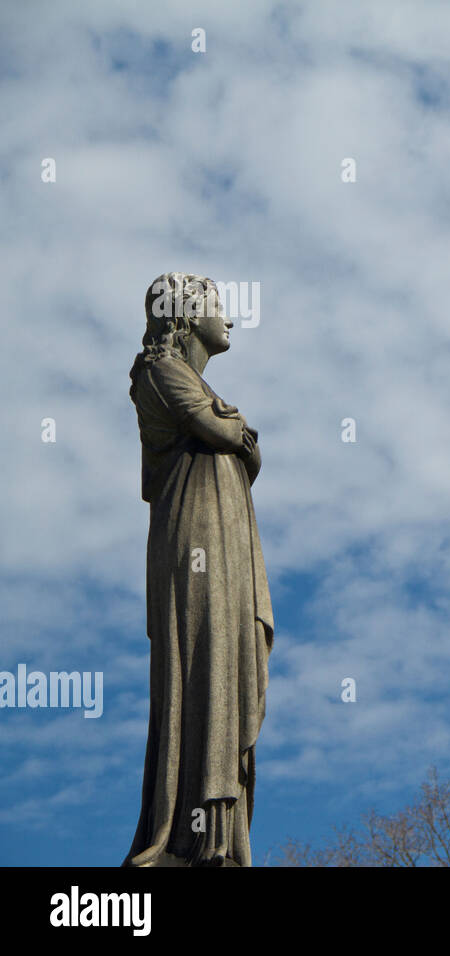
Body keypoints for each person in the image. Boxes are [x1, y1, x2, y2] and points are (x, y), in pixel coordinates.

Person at [123, 272, 273, 867]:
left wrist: (238, 434)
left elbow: (246, 447)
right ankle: (191, 835)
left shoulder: (190, 382)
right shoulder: (159, 372)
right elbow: (224, 431)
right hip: (195, 538)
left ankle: (224, 834)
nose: (231, 319)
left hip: (226, 537)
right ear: (184, 316)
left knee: (230, 660)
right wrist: (234, 429)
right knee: (203, 661)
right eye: (219, 307)